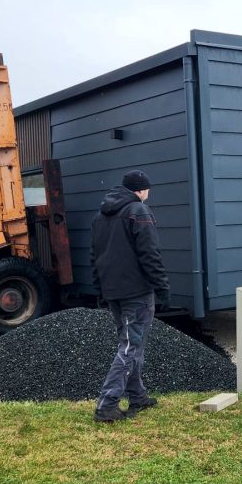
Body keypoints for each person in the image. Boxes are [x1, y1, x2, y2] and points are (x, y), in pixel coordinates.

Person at [91, 169, 170, 423]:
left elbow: (95, 256)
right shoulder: (139, 211)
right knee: (129, 347)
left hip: (113, 291)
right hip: (136, 292)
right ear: (142, 190)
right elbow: (150, 253)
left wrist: (100, 289)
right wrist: (162, 287)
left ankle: (138, 397)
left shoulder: (101, 216)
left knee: (132, 345)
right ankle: (107, 405)